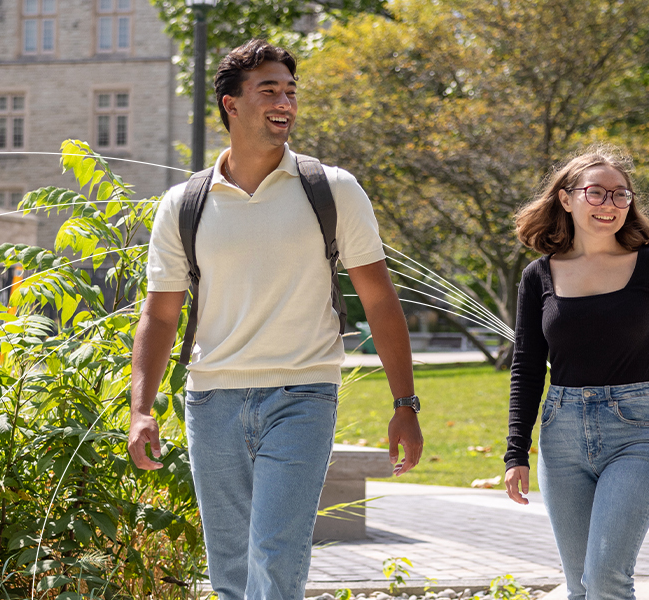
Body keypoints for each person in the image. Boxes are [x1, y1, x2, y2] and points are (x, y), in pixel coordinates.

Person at [122, 39, 425, 600]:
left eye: (290, 91)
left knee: (276, 556)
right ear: (230, 104)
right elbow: (160, 315)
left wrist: (404, 404)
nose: (285, 101)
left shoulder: (331, 189)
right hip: (212, 400)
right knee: (231, 570)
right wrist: (141, 408)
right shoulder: (183, 203)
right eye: (269, 91)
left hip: (303, 394)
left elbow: (380, 301)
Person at [499, 148, 649, 600]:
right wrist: (515, 452)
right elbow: (525, 369)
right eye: (595, 193)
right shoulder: (538, 276)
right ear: (565, 199)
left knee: (606, 580)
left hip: (634, 432)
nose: (609, 204)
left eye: (620, 195)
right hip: (560, 435)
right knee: (579, 587)